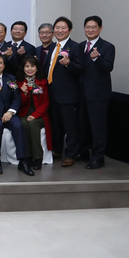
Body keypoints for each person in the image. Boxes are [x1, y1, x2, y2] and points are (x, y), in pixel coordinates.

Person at [77, 16, 115, 169]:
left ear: (100, 28)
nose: (90, 30)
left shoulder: (107, 47)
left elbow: (108, 67)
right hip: (81, 94)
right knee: (82, 126)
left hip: (98, 95)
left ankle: (98, 158)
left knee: (98, 128)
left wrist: (97, 58)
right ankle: (83, 152)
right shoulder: (80, 46)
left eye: (94, 27)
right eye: (88, 27)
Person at [48, 16, 82, 164]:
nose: (60, 30)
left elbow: (81, 69)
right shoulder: (53, 46)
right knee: (55, 124)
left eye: (63, 28)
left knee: (70, 127)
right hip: (51, 92)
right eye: (57, 28)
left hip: (67, 94)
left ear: (70, 30)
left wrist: (69, 64)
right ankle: (57, 150)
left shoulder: (75, 47)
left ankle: (71, 154)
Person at [17, 56, 52, 170]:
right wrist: (24, 93)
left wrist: (34, 115)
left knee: (33, 124)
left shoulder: (43, 81)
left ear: (37, 68)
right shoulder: (19, 82)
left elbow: (45, 103)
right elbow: (18, 103)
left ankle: (38, 158)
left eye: (32, 66)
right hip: (23, 113)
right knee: (23, 124)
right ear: (23, 68)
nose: (29, 69)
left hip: (39, 114)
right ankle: (27, 157)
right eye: (27, 66)